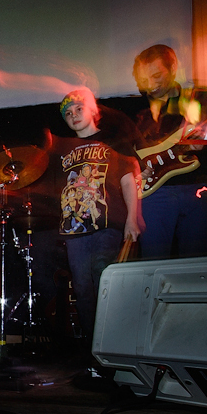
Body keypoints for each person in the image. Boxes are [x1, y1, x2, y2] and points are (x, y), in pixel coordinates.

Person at [45, 87, 142, 349]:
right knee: (82, 288)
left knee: (104, 281)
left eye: (79, 109)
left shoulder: (112, 141)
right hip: (74, 228)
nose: (73, 115)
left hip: (107, 224)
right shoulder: (63, 149)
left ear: (93, 111)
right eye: (68, 113)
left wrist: (133, 218)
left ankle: (113, 345)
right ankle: (93, 348)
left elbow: (128, 180)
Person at [131, 44, 207, 259]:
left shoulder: (200, 98)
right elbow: (124, 150)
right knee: (153, 262)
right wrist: (136, 167)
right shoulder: (137, 111)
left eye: (156, 76)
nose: (150, 85)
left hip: (197, 187)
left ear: (173, 67)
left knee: (197, 262)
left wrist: (206, 140)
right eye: (144, 80)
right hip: (154, 193)